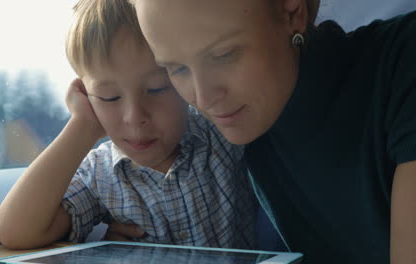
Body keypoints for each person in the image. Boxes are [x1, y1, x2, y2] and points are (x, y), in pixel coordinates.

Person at [129, 0, 416, 263]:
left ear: (292, 11)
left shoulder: (403, 60)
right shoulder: (245, 115)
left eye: (223, 55)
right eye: (176, 69)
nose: (203, 99)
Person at [0, 0, 256, 251]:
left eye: (156, 89)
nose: (134, 116)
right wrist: (82, 126)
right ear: (87, 96)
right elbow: (16, 231)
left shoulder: (222, 135)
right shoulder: (100, 175)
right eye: (109, 97)